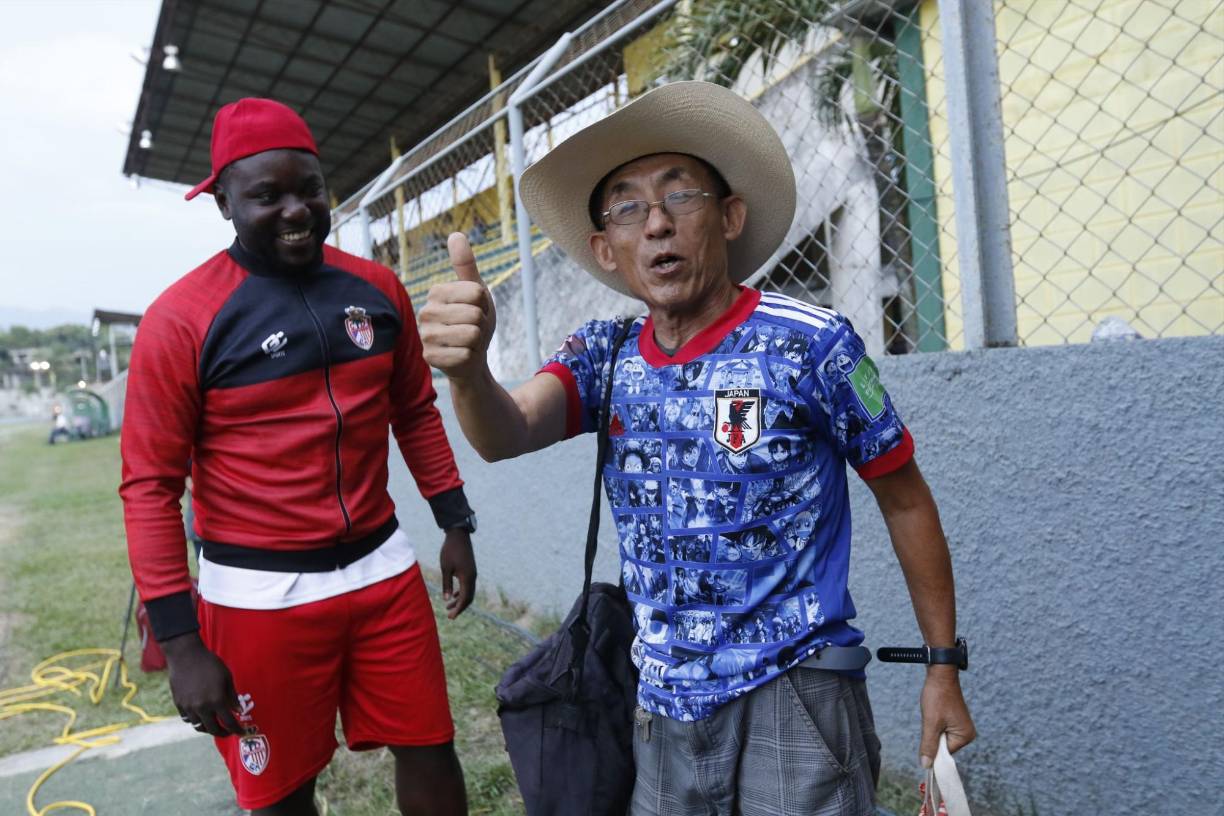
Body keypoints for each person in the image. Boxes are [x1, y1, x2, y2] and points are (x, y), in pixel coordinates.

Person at [418, 81, 973, 815]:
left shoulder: (813, 345)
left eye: (679, 197)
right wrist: (467, 373)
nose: (655, 225)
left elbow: (905, 499)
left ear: (729, 216)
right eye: (626, 207)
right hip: (661, 708)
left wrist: (941, 667)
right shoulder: (603, 355)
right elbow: (506, 431)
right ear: (604, 249)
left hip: (797, 691)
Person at [120, 98, 477, 816]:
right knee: (282, 790)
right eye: (266, 195)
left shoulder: (375, 292)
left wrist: (454, 522)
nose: (295, 210)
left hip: (383, 573)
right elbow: (149, 487)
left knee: (431, 746)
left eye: (309, 189)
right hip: (258, 599)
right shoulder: (181, 319)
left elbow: (414, 412)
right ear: (223, 201)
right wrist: (182, 644)